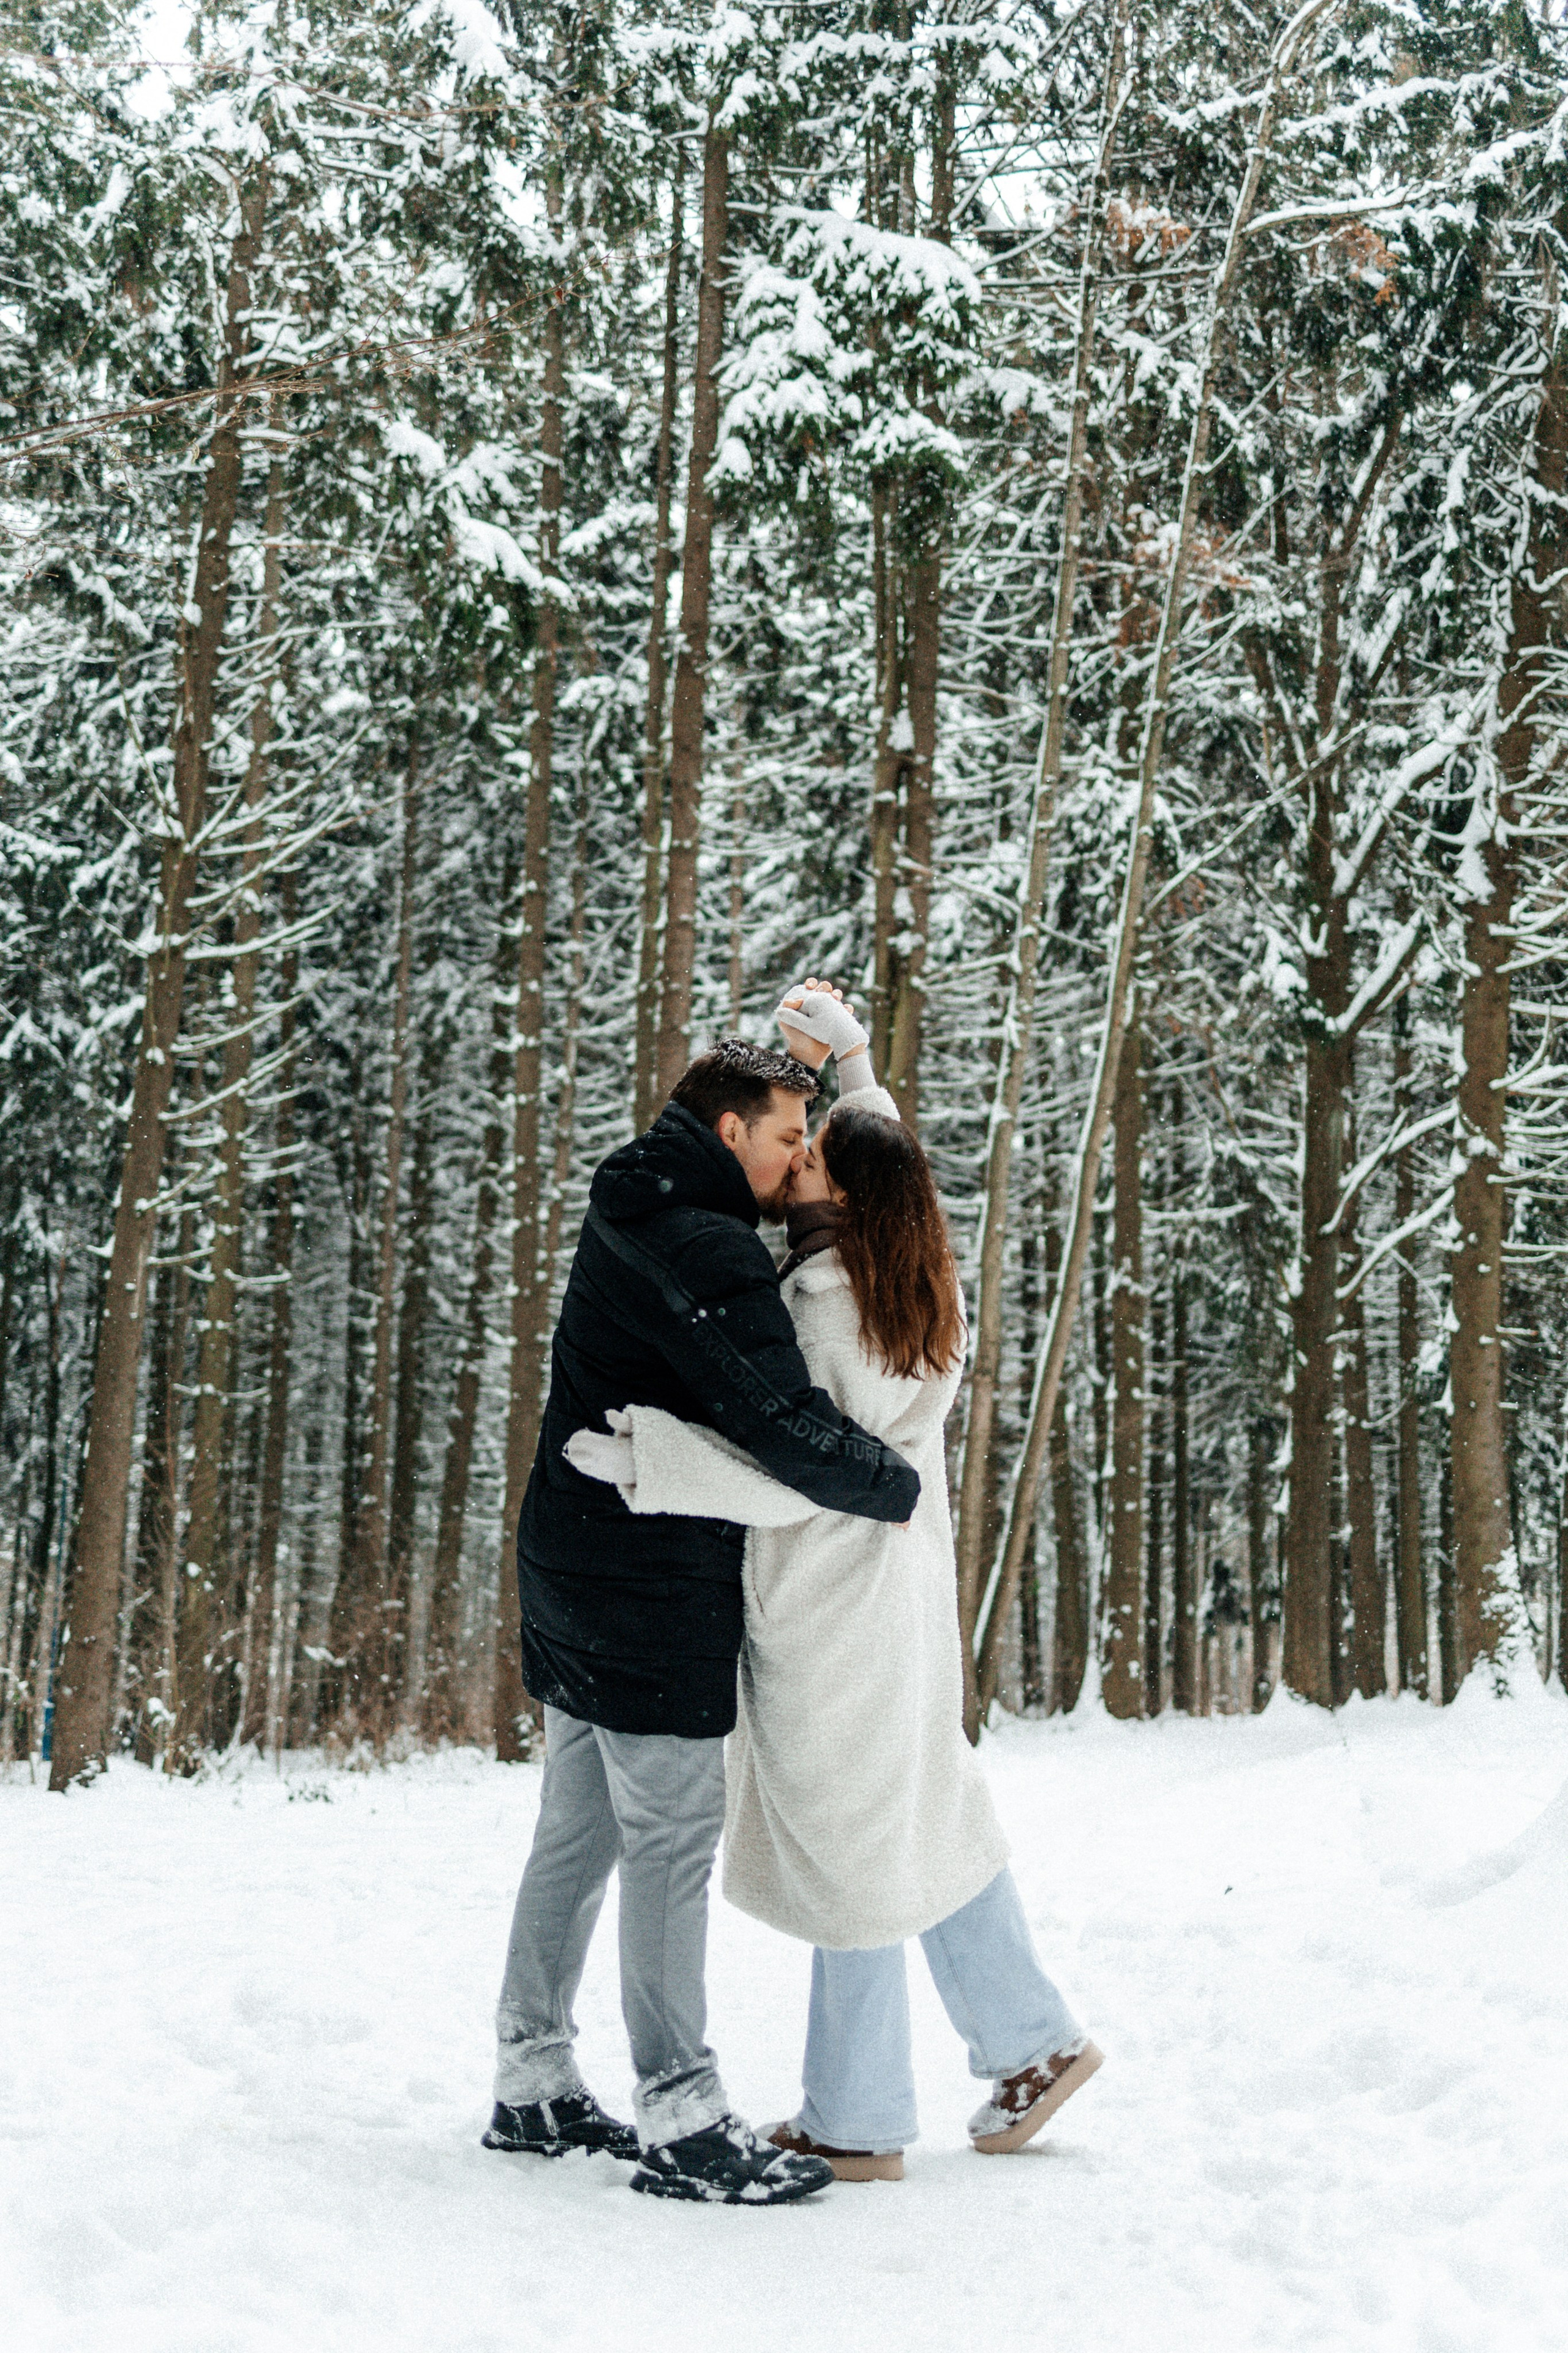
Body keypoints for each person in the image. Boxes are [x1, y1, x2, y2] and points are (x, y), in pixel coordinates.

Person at [570, 983, 1102, 2181]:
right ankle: (1030, 2039)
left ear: (840, 1200)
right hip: (902, 1600)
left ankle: (859, 2117)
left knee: (850, 1845)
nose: (796, 1155)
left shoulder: (829, 1317)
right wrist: (853, 1065)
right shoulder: (921, 1283)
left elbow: (791, 1472)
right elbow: (878, 1157)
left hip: (830, 1610)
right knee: (920, 1813)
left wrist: (651, 1460)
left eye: (813, 1155)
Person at [484, 1038, 921, 2206]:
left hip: (571, 1553)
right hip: (646, 1582)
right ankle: (680, 2113)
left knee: (578, 1829)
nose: (797, 1161)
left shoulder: (640, 1188)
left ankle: (530, 2080)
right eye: (788, 1137)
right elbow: (785, 1423)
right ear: (732, 1131)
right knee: (670, 1839)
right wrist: (898, 1483)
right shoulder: (708, 1242)